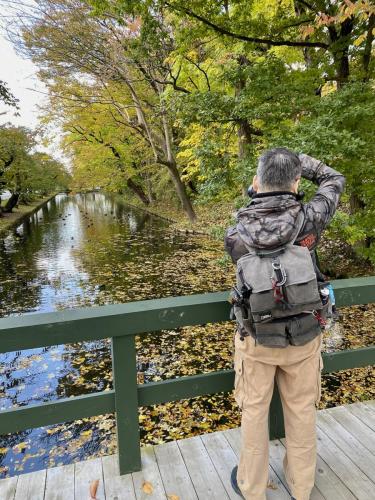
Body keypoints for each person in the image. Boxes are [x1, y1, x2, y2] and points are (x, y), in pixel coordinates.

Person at [224, 148, 346, 500]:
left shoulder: (236, 233)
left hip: (257, 339)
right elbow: (334, 179)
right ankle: (301, 486)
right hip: (305, 335)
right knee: (302, 412)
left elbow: (254, 242)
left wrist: (259, 191)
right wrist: (303, 163)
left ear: (256, 182)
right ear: (296, 182)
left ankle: (252, 487)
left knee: (254, 414)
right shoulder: (311, 219)